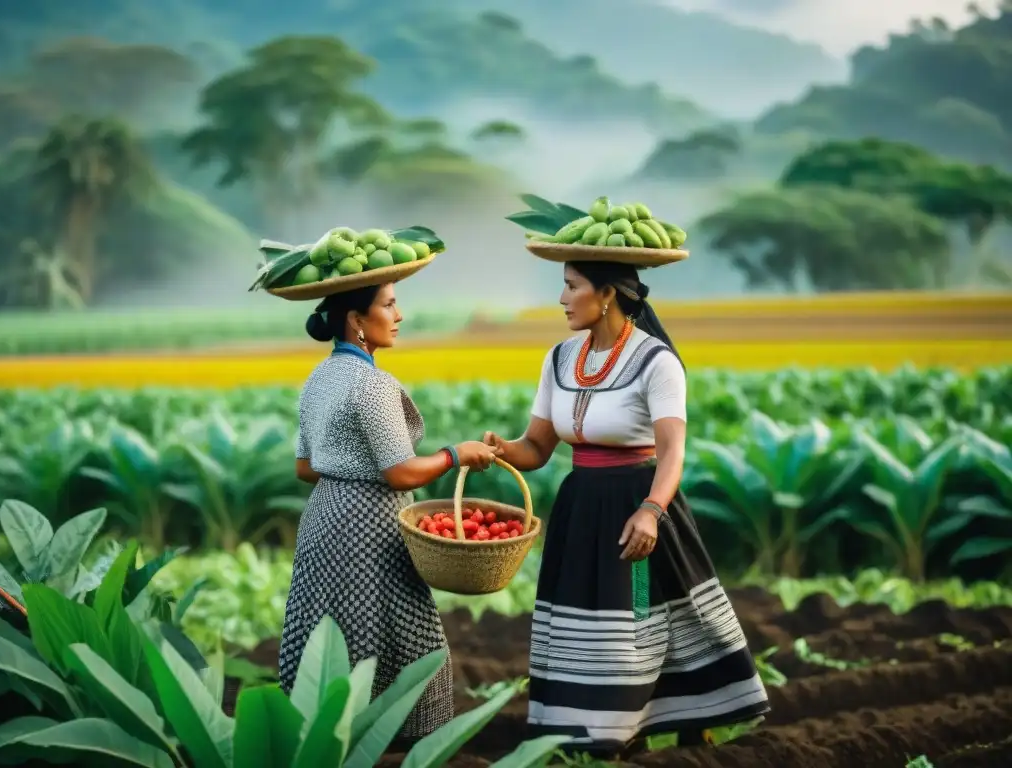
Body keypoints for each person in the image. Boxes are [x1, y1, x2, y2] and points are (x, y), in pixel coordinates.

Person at [483, 258, 770, 757]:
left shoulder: (656, 361)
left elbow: (673, 451)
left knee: (633, 626)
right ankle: (583, 734)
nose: (562, 298)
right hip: (581, 511)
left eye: (572, 287)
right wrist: (500, 450)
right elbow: (536, 446)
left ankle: (626, 730)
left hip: (638, 508)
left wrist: (652, 511)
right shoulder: (558, 358)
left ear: (608, 294)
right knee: (584, 622)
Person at [278, 276, 499, 744]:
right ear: (358, 320)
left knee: (331, 631)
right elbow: (401, 473)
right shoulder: (373, 384)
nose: (398, 316)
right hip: (371, 527)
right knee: (406, 636)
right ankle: (404, 738)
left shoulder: (319, 378)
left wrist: (347, 473)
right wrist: (456, 455)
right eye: (390, 306)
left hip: (323, 519)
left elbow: (304, 467)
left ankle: (328, 736)